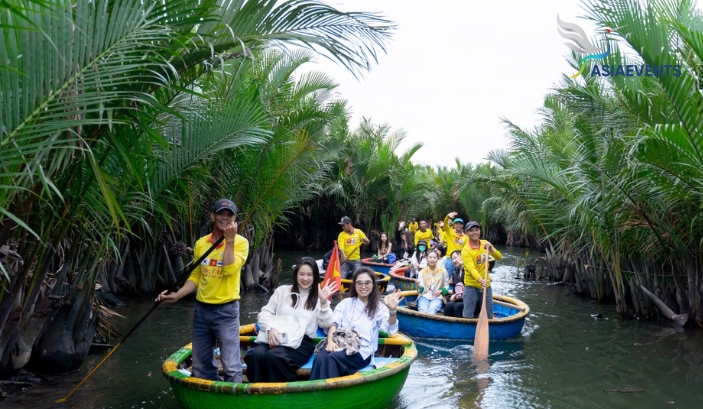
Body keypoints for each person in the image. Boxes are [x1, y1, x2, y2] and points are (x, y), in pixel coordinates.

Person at [156, 199, 249, 382]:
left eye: (229, 215)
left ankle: (233, 396)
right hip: (202, 310)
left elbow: (228, 269)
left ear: (234, 219)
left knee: (231, 365)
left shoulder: (241, 243)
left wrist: (229, 241)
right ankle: (209, 394)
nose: (224, 218)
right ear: (212, 216)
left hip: (226, 310)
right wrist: (177, 295)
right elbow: (196, 275)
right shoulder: (201, 243)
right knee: (200, 365)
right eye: (221, 213)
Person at [244, 257, 338, 382]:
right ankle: (258, 389)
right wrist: (270, 329)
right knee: (256, 355)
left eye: (309, 275)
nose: (305, 278)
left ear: (315, 276)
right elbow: (264, 313)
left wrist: (324, 302)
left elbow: (327, 323)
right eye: (302, 274)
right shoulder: (282, 291)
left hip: (301, 343)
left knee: (274, 356)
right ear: (296, 274)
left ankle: (282, 389)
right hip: (277, 337)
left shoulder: (318, 297)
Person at [310, 267, 404, 380]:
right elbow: (334, 324)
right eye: (359, 283)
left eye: (367, 283)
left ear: (373, 285)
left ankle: (330, 389)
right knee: (320, 357)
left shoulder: (378, 307)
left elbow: (390, 328)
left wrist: (392, 311)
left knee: (331, 359)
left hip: (362, 352)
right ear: (354, 285)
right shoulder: (345, 303)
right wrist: (330, 341)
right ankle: (315, 388)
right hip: (340, 344)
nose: (363, 286)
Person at [462, 221, 502, 319]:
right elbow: (471, 269)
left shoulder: (485, 244)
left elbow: (499, 257)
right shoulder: (466, 250)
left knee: (489, 315)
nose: (475, 233)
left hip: (486, 285)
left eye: (477, 230)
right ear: (467, 233)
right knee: (468, 315)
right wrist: (480, 279)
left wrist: (491, 249)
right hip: (471, 285)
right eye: (471, 231)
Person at [416, 250, 449, 314]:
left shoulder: (443, 271)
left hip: (438, 296)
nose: (432, 259)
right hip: (424, 295)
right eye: (430, 257)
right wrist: (418, 285)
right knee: (422, 310)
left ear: (437, 259)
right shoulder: (422, 272)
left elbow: (446, 285)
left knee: (432, 310)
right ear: (427, 259)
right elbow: (421, 289)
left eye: (434, 258)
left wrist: (441, 290)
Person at [442, 211, 468, 283]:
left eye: (460, 224)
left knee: (459, 278)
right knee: (447, 277)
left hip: (460, 260)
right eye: (456, 224)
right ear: (454, 225)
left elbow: (466, 250)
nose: (458, 225)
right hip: (450, 259)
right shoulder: (450, 232)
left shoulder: (466, 238)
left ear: (462, 225)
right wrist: (447, 217)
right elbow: (445, 224)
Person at [444, 250, 465, 317]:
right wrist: (454, 295)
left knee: (457, 307)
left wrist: (456, 296)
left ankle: (460, 323)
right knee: (448, 306)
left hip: (469, 299)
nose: (454, 261)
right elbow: (455, 289)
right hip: (459, 298)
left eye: (455, 258)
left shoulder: (468, 270)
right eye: (452, 259)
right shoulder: (455, 273)